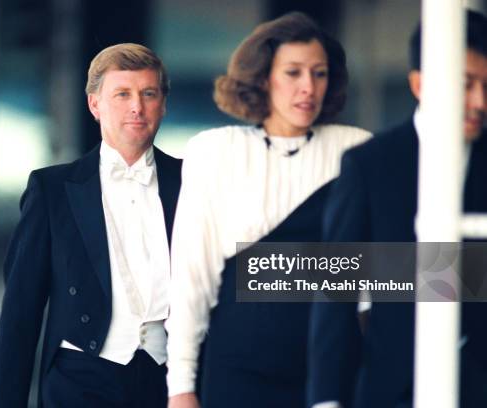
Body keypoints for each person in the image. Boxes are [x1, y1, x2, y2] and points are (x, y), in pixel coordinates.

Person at [165, 12, 371, 408]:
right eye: (293, 72)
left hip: (331, 374)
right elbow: (192, 276)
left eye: (320, 73)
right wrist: (181, 387)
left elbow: (382, 270)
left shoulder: (356, 149)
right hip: (237, 370)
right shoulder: (215, 151)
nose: (308, 87)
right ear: (263, 78)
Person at [308, 9, 487, 408]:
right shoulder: (369, 164)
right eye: (467, 84)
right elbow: (336, 289)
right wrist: (326, 400)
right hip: (392, 389)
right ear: (420, 83)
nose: (480, 101)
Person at [0, 43, 182, 408]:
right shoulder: (51, 190)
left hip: (169, 379)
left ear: (163, 103)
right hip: (79, 380)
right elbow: (20, 311)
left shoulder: (193, 182)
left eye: (148, 93)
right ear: (95, 104)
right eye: (122, 94)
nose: (136, 107)